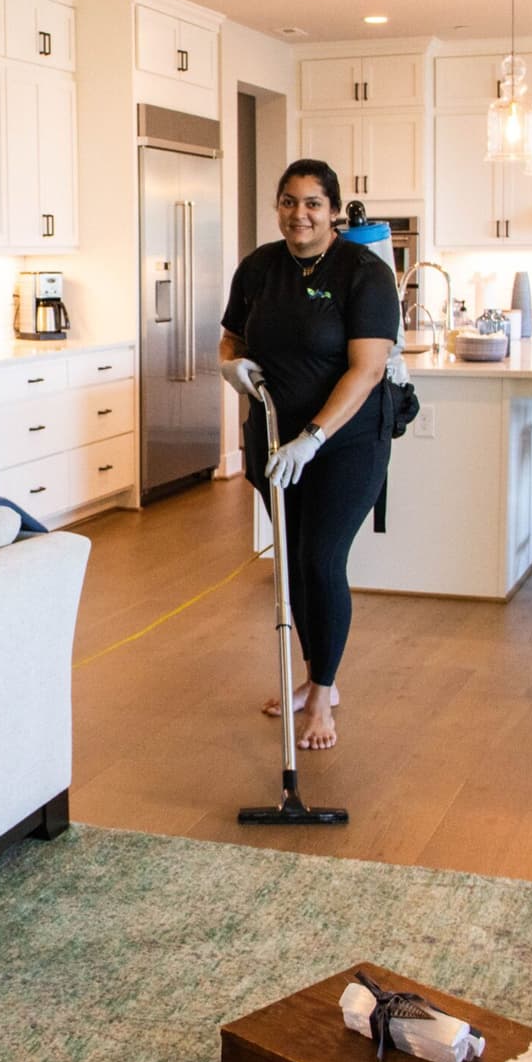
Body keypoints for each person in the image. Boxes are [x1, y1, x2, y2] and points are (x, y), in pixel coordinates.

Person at [219, 160, 399, 751]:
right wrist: (231, 367)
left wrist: (314, 437)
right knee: (293, 567)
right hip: (272, 441)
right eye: (290, 202)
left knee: (322, 561)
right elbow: (234, 336)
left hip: (344, 442)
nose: (300, 214)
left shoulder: (363, 274)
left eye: (314, 203)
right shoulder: (258, 268)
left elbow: (368, 369)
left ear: (333, 210)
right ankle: (313, 675)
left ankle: (323, 695)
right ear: (278, 206)